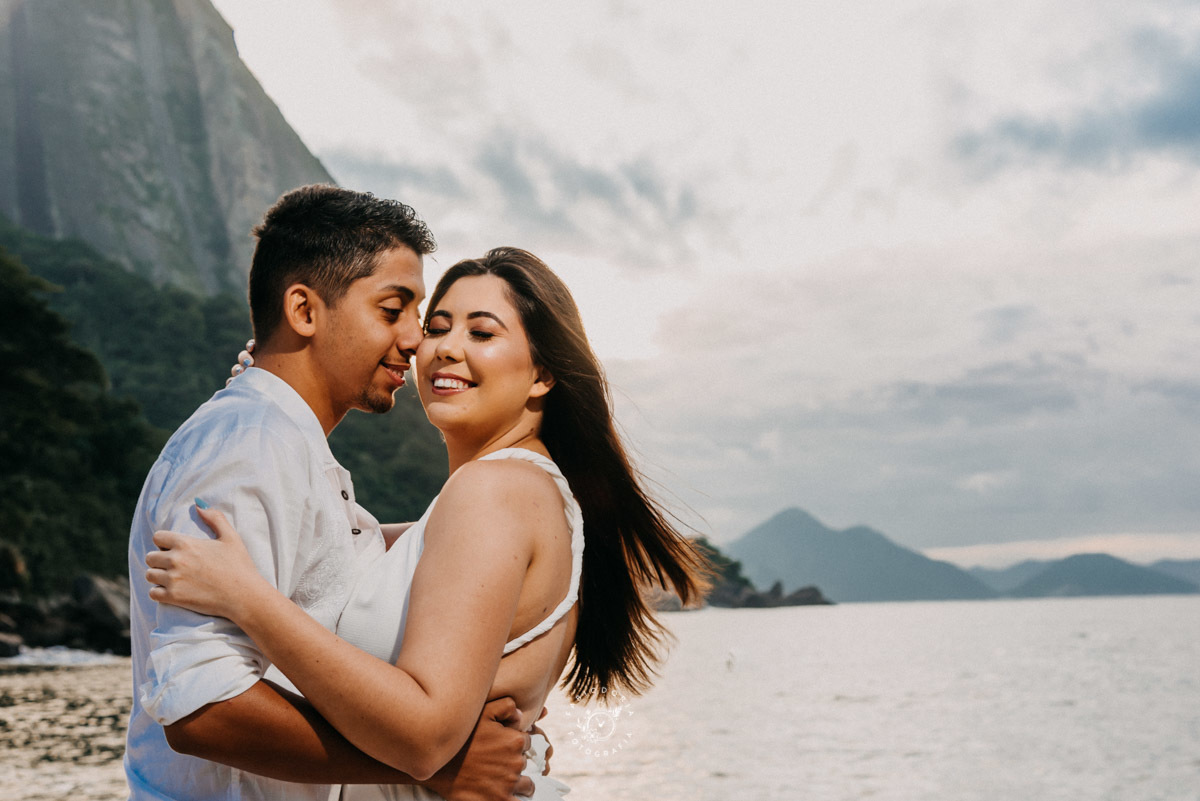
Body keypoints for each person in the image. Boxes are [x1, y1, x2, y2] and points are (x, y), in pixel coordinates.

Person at [145, 247, 712, 799]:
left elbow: (425, 737)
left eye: (482, 333)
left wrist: (247, 598)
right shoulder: (503, 496)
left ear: (542, 375)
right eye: (437, 327)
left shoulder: (493, 491)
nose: (442, 348)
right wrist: (267, 375)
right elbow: (348, 541)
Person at [125, 186, 533, 801]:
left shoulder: (288, 444)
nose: (416, 340)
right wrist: (430, 764)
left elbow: (356, 554)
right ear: (305, 311)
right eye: (392, 309)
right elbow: (201, 711)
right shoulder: (251, 447)